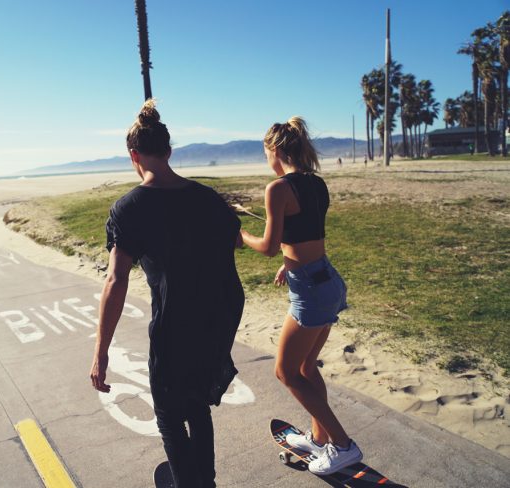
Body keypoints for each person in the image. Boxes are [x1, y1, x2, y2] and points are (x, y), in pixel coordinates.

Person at [90, 99, 244, 488]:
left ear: (133, 155)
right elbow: (230, 249)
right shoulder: (208, 198)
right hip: (214, 323)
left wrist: (101, 353)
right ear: (169, 152)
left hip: (173, 328)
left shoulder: (128, 208)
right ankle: (204, 480)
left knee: (170, 415)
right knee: (197, 407)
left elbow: (115, 283)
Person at [239, 117, 362, 475]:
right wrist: (289, 264)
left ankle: (343, 445)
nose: (267, 159)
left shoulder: (277, 189)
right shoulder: (317, 184)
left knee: (287, 372)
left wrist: (240, 233)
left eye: (266, 152)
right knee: (307, 367)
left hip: (311, 290)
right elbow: (304, 235)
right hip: (326, 280)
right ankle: (320, 438)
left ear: (274, 150)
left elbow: (267, 246)